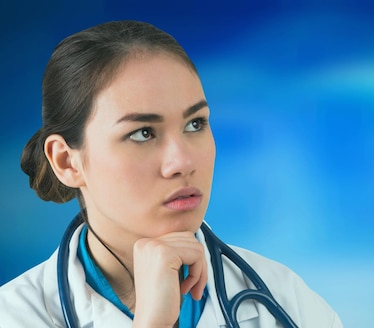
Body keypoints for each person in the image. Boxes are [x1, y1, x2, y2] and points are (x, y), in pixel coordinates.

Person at [0, 20, 342, 328]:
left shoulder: (285, 301)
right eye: (143, 133)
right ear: (67, 162)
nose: (182, 162)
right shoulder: (16, 315)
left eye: (195, 124)